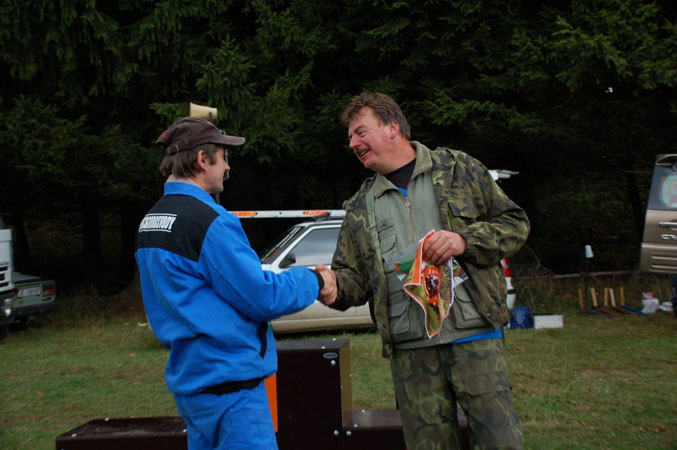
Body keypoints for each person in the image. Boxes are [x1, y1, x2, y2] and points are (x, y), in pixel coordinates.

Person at [321, 92, 529, 449]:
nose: (353, 143)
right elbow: (354, 280)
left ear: (392, 128)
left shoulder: (459, 170)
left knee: (501, 442)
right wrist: (331, 286)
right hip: (411, 352)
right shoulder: (359, 207)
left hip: (475, 337)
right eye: (350, 137)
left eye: (360, 132)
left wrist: (464, 240)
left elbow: (515, 224)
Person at [135, 117, 337, 450]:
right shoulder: (209, 222)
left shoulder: (151, 222)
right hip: (231, 389)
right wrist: (315, 279)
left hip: (192, 386)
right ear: (202, 160)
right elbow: (263, 296)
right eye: (223, 156)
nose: (227, 166)